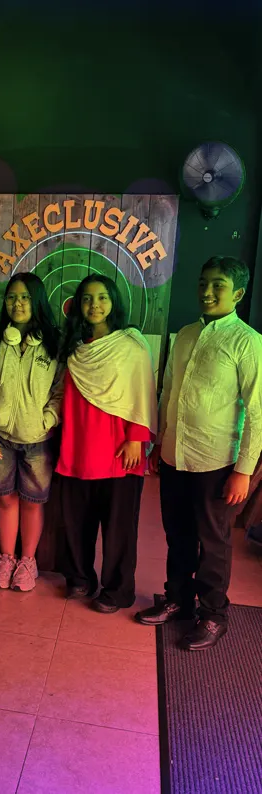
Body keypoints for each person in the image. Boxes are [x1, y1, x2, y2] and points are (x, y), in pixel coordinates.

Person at [136, 256, 262, 650]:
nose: (207, 291)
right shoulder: (186, 334)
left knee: (213, 541)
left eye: (218, 285)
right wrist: (160, 443)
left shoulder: (247, 342)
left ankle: (213, 615)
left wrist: (244, 470)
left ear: (238, 293)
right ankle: (177, 600)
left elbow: (257, 411)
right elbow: (168, 392)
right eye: (203, 283)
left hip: (216, 461)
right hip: (175, 454)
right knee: (178, 534)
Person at [56, 275, 157, 612]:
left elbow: (143, 393)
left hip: (119, 449)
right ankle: (80, 578)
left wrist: (136, 439)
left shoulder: (131, 345)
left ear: (114, 301)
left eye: (102, 297)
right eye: (87, 298)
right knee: (76, 522)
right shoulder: (74, 347)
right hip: (78, 445)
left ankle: (117, 590)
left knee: (118, 529)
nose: (94, 305)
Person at [0, 272, 62, 592]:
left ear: (37, 301)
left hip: (38, 440)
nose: (18, 303)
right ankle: (6, 559)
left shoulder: (54, 342)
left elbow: (61, 390)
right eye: (12, 297)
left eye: (25, 297)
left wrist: (47, 420)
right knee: (5, 501)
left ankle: (27, 561)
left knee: (33, 502)